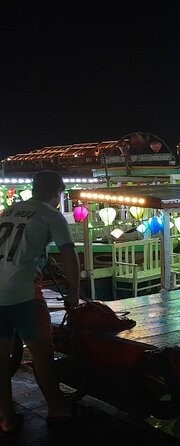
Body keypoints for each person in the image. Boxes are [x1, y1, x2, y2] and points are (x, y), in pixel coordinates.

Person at [0, 171, 81, 432]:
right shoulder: (51, 214)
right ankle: (57, 408)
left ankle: (8, 418)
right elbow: (70, 254)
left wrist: (42, 256)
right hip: (22, 293)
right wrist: (73, 295)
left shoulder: (11, 210)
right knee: (42, 354)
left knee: (1, 360)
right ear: (58, 192)